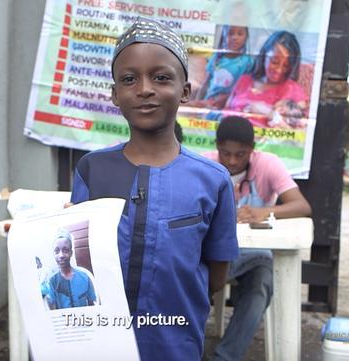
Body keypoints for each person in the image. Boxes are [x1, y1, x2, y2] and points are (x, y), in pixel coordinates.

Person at [69, 17, 238, 361]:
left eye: (161, 77)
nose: (144, 89)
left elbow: (216, 275)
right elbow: (78, 257)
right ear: (115, 94)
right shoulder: (92, 169)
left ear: (186, 91)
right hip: (98, 347)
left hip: (174, 345)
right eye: (129, 79)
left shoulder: (213, 179)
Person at [204, 115, 311, 361]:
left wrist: (264, 212)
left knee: (261, 285)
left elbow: (301, 206)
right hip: (214, 255)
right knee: (192, 281)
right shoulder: (205, 166)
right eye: (225, 153)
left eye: (240, 154)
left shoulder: (268, 165)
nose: (232, 160)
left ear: (252, 151)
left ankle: (225, 357)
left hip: (254, 255)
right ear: (216, 148)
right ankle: (190, 351)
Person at [224, 30, 309, 129]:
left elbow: (300, 134)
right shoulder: (244, 80)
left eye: (286, 66)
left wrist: (268, 112)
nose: (279, 70)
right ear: (264, 55)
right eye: (274, 61)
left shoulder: (293, 90)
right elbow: (224, 111)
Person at [191, 25, 254, 109]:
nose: (235, 37)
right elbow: (206, 83)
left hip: (231, 105)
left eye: (240, 34)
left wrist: (226, 97)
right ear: (224, 35)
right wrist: (197, 102)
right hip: (208, 103)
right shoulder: (216, 57)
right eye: (230, 33)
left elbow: (246, 90)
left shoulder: (248, 62)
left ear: (246, 37)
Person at [43, 229, 97, 310]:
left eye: (65, 250)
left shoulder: (85, 277)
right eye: (57, 251)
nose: (61, 255)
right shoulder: (52, 281)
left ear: (71, 253)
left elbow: (92, 305)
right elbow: (52, 310)